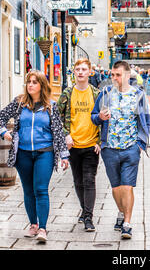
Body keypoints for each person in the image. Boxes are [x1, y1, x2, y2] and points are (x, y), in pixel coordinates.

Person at [0, 70, 70, 243]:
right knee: (28, 190)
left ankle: (43, 228)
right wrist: (4, 132)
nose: (30, 85)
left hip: (45, 153)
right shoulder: (19, 103)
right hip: (23, 154)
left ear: (42, 86)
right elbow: (0, 118)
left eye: (35, 82)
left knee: (41, 190)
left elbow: (58, 133)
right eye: (29, 81)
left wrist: (64, 155)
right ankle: (33, 225)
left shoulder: (51, 106)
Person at [91, 60, 150, 240]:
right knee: (116, 188)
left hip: (131, 148)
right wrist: (100, 117)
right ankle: (120, 212)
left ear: (127, 75)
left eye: (118, 74)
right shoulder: (106, 93)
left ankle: (127, 223)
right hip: (109, 148)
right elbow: (93, 117)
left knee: (127, 186)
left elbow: (146, 121)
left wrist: (141, 144)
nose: (114, 78)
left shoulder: (138, 95)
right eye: (112, 74)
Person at [57, 59, 101, 232]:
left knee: (89, 180)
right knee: (78, 181)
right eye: (78, 69)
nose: (81, 72)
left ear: (90, 72)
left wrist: (99, 142)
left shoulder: (96, 94)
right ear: (74, 72)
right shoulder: (67, 94)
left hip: (91, 145)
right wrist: (65, 135)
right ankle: (84, 210)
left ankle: (88, 217)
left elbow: (103, 119)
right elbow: (56, 118)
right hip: (73, 145)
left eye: (84, 69)